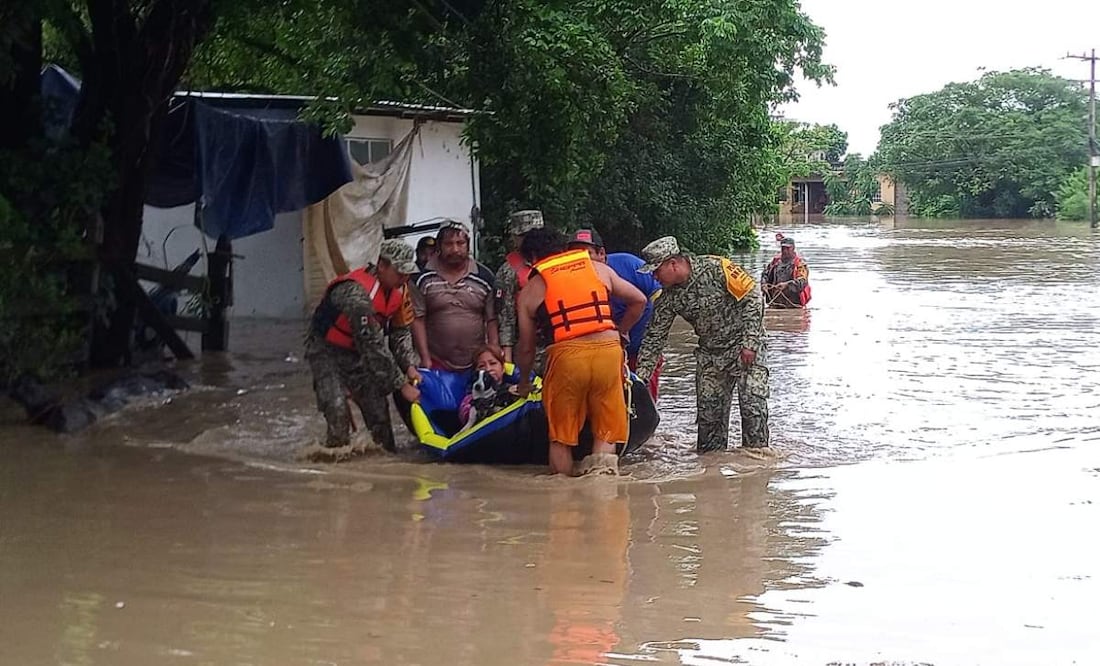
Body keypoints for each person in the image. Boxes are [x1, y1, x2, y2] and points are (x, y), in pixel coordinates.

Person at [515, 229, 647, 476]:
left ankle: (565, 500)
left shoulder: (530, 290)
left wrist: (524, 383)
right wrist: (620, 331)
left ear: (532, 257)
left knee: (561, 438)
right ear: (563, 249)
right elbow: (639, 300)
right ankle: (602, 492)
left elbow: (526, 347)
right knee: (606, 429)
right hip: (609, 353)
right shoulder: (597, 268)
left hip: (567, 357)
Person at [634, 236, 770, 453]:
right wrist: (640, 379)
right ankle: (712, 472)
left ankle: (756, 464)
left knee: (752, 405)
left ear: (673, 263)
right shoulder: (667, 299)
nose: (654, 276)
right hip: (711, 355)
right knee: (709, 420)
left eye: (656, 270)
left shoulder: (717, 268)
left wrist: (750, 343)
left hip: (745, 346)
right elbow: (654, 339)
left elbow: (753, 298)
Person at [305, 239, 422, 456]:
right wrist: (401, 385)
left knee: (378, 414)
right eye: (399, 272)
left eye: (408, 273)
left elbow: (400, 332)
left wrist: (409, 366)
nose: (404, 278)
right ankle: (335, 464)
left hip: (357, 352)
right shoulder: (356, 294)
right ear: (382, 266)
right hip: (326, 351)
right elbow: (373, 345)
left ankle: (387, 463)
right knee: (337, 409)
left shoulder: (401, 292)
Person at [566, 228, 664, 401]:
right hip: (603, 352)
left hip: (641, 348)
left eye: (587, 254)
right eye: (574, 255)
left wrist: (629, 332)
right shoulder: (569, 278)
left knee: (644, 398)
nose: (581, 260)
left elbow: (657, 296)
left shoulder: (629, 264)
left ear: (602, 253)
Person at [411, 220, 499, 371]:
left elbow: (491, 320)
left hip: (476, 363)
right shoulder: (421, 278)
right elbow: (417, 319)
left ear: (468, 244)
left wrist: (493, 353)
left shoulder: (484, 277)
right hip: (436, 362)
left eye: (460, 243)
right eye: (448, 244)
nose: (455, 249)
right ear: (439, 246)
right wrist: (425, 359)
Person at [495, 209, 549, 370]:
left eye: (534, 234)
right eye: (524, 236)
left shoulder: (556, 261)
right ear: (515, 238)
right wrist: (508, 364)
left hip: (558, 347)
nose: (530, 240)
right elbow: (506, 319)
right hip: (527, 352)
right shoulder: (508, 271)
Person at [457, 343, 509, 425]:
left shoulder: (511, 389)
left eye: (493, 363)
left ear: (503, 368)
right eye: (481, 366)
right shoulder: (470, 399)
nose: (488, 369)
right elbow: (465, 416)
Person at [761, 234, 811, 308]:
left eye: (788, 248)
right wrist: (764, 284)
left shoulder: (800, 264)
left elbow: (802, 282)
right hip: (776, 302)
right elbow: (765, 274)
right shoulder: (775, 262)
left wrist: (786, 285)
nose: (785, 251)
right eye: (783, 248)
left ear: (793, 248)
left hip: (794, 304)